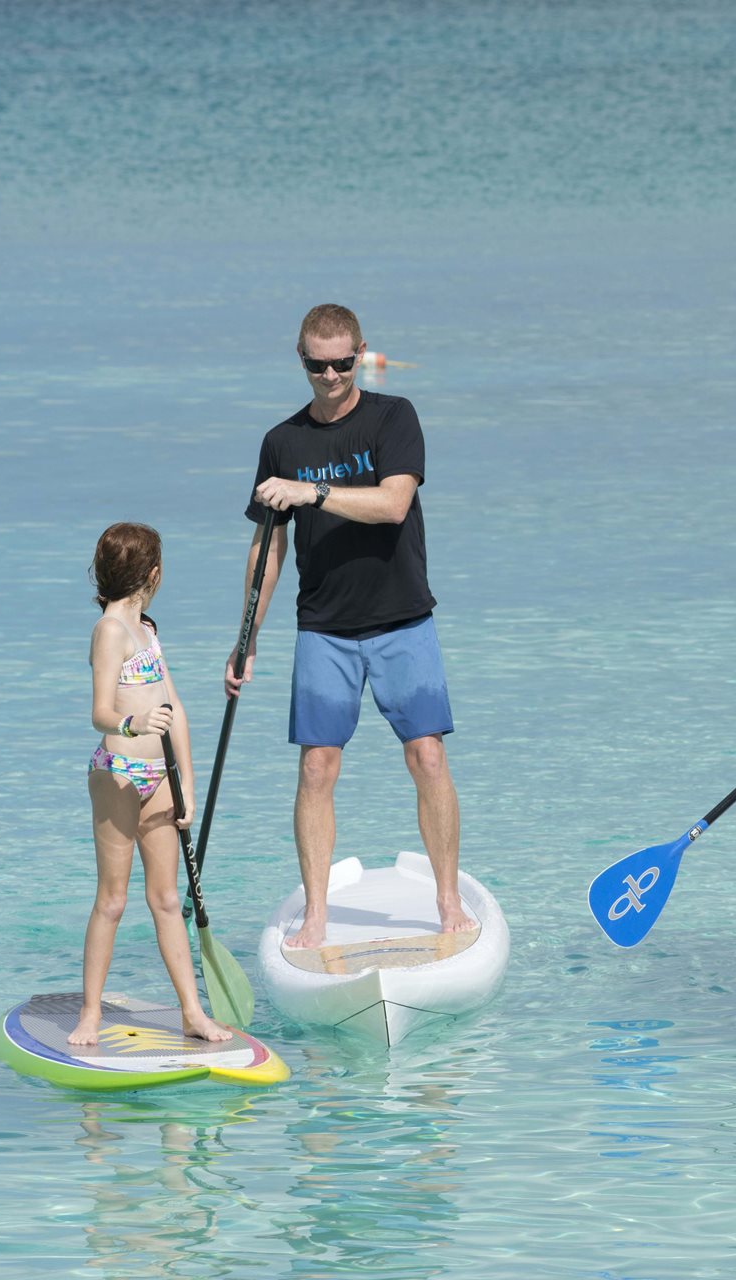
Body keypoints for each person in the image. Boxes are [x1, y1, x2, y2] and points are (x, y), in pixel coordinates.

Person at [226, 303, 470, 950]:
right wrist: (245, 640)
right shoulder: (282, 442)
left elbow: (394, 504)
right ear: (301, 360)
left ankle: (448, 900)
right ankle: (316, 914)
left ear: (361, 352)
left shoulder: (395, 416)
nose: (331, 375)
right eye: (317, 364)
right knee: (316, 769)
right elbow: (267, 548)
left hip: (403, 619)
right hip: (323, 628)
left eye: (343, 362)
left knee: (427, 756)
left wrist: (314, 494)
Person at [73, 523, 232, 1046]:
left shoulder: (147, 628)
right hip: (117, 775)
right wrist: (131, 725)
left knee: (166, 899)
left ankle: (192, 1012)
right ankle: (91, 1013)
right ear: (155, 574)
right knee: (112, 901)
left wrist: (185, 778)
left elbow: (175, 708)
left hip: (160, 779)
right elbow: (99, 711)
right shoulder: (111, 631)